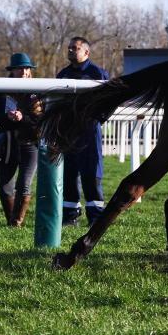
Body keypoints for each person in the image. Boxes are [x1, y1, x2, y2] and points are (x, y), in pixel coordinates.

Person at [56, 37, 109, 226]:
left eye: (75, 48)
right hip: (68, 131)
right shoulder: (63, 74)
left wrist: (96, 119)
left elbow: (109, 100)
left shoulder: (97, 73)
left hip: (89, 130)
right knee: (69, 173)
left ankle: (95, 217)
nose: (71, 50)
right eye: (69, 48)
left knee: (91, 172)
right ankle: (70, 216)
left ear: (86, 52)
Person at [0, 53, 42, 227]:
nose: (24, 71)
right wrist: (8, 118)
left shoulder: (37, 91)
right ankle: (11, 221)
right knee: (5, 186)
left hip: (30, 144)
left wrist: (22, 118)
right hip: (7, 144)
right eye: (20, 68)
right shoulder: (1, 91)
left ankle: (16, 222)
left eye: (27, 68)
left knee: (24, 184)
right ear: (12, 70)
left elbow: (39, 120)